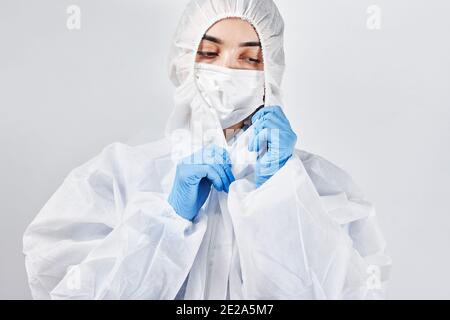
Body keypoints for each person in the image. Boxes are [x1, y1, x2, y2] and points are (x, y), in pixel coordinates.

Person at [23, 0, 391, 300]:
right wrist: (168, 219)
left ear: (272, 71)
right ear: (184, 63)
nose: (229, 70)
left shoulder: (319, 186)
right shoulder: (119, 175)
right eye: (210, 53)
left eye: (250, 59)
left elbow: (347, 292)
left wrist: (281, 196)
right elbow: (69, 291)